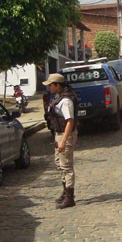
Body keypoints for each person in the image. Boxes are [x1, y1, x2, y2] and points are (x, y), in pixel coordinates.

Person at [44, 73, 78, 209]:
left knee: (66, 166)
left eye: (50, 85)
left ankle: (70, 197)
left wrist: (64, 140)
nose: (48, 87)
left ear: (57, 85)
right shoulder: (58, 98)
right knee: (59, 163)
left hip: (65, 134)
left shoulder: (66, 101)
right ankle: (65, 192)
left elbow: (70, 121)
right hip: (59, 134)